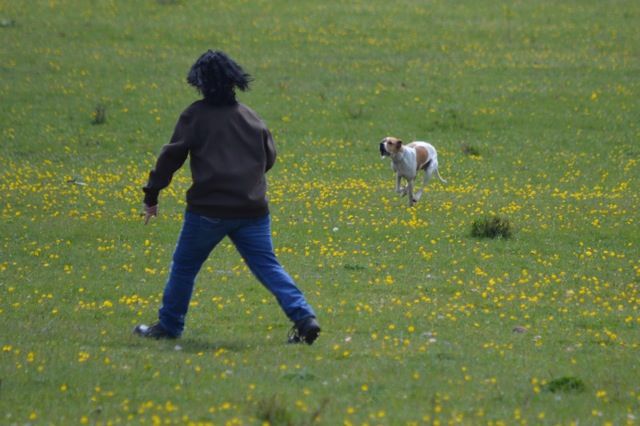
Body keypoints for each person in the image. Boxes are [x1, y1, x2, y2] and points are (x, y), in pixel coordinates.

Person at [134, 50, 320, 345]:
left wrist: (152, 193)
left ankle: (169, 325)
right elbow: (269, 158)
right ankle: (304, 317)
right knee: (268, 266)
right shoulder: (250, 117)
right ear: (234, 80)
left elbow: (171, 157)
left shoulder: (194, 115)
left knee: (184, 267)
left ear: (200, 83)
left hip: (207, 210)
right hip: (252, 210)